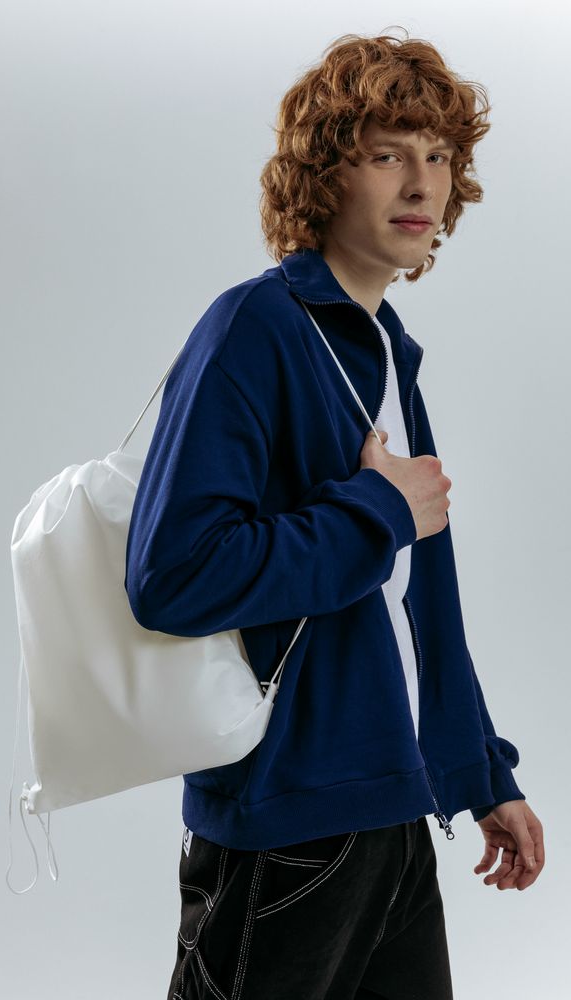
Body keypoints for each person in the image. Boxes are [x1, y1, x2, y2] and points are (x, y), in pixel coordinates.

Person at [124, 26, 544, 1000]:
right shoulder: (254, 328)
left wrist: (481, 772)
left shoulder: (386, 350)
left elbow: (413, 608)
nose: (422, 183)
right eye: (388, 154)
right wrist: (374, 510)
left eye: (438, 156)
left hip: (394, 815)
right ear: (323, 175)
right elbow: (174, 575)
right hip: (285, 828)